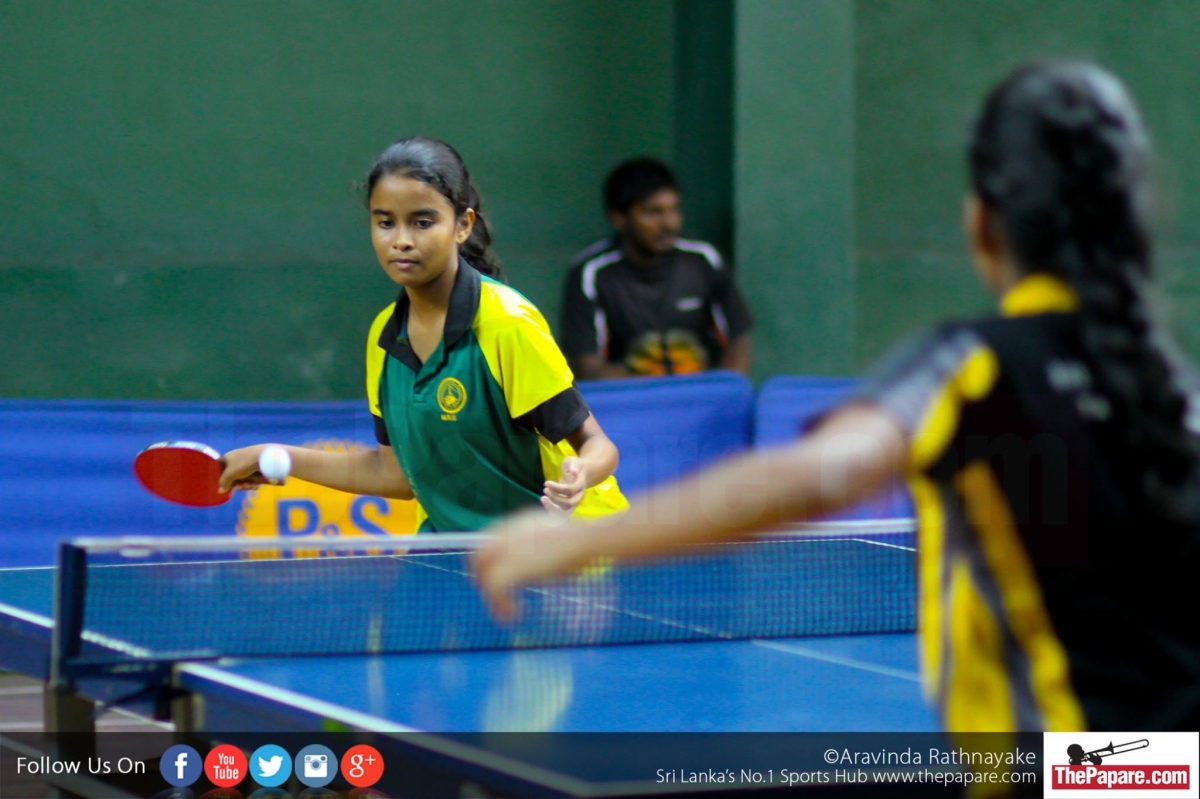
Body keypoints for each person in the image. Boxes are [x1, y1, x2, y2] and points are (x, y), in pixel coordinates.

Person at [475, 62, 1200, 732]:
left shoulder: (967, 368)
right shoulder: (1176, 384)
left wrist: (579, 541)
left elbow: (815, 474)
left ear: (980, 223)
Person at [219, 137, 629, 532]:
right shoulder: (385, 335)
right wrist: (274, 456)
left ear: (462, 225)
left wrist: (581, 472)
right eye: (385, 223)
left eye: (422, 222)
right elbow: (394, 475)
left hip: (566, 547)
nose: (401, 241)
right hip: (457, 545)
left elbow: (598, 446)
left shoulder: (506, 323)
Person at [559, 158, 753, 379]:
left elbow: (739, 342)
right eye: (653, 212)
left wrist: (722, 390)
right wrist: (660, 398)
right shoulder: (591, 274)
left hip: (701, 400)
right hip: (629, 404)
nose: (669, 223)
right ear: (618, 218)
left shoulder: (703, 260)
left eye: (674, 209)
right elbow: (588, 367)